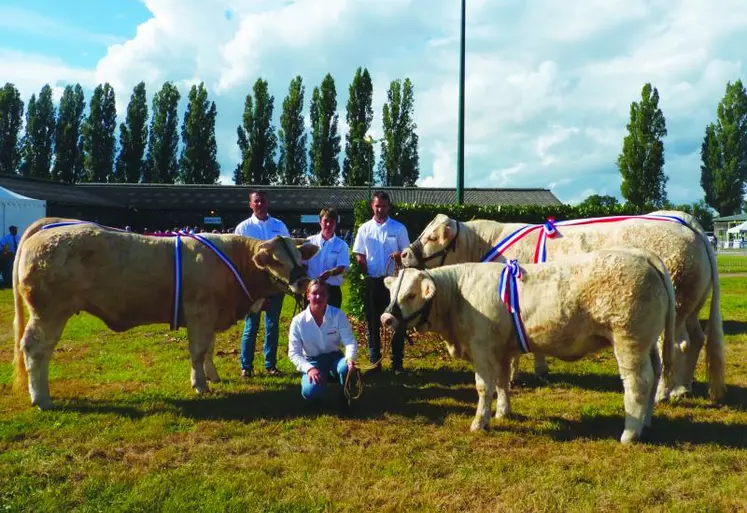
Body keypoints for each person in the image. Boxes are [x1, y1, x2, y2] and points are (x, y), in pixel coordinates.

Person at [234, 190, 291, 378]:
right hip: (253, 287)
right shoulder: (243, 228)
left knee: (272, 325)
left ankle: (270, 365)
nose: (259, 204)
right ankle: (246, 366)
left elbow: (288, 252)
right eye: (256, 201)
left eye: (262, 201)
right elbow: (237, 259)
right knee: (251, 326)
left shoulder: (279, 226)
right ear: (250, 204)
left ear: (268, 202)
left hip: (275, 284)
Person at [352, 191, 410, 374]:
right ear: (372, 206)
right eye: (377, 206)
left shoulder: (399, 228)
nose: (380, 209)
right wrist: (362, 268)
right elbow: (359, 253)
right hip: (373, 281)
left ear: (388, 207)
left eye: (383, 206)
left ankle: (397, 363)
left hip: (394, 284)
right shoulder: (364, 228)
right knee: (372, 323)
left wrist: (399, 256)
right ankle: (375, 362)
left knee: (396, 323)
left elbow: (407, 254)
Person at [288, 279, 357, 412]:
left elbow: (349, 341)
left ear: (328, 296)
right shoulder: (298, 321)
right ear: (308, 295)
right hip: (313, 361)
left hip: (335, 358)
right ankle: (321, 382)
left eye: (322, 294)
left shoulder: (337, 315)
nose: (318, 297)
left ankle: (345, 395)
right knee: (310, 392)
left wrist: (350, 359)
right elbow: (294, 353)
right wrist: (309, 369)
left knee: (345, 368)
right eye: (314, 293)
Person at [304, 207, 350, 309]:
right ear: (320, 222)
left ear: (336, 223)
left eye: (332, 222)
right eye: (325, 221)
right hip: (312, 290)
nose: (328, 225)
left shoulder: (342, 245)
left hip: (332, 292)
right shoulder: (308, 242)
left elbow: (342, 267)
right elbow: (303, 265)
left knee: (331, 323)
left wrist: (328, 274)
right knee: (310, 322)